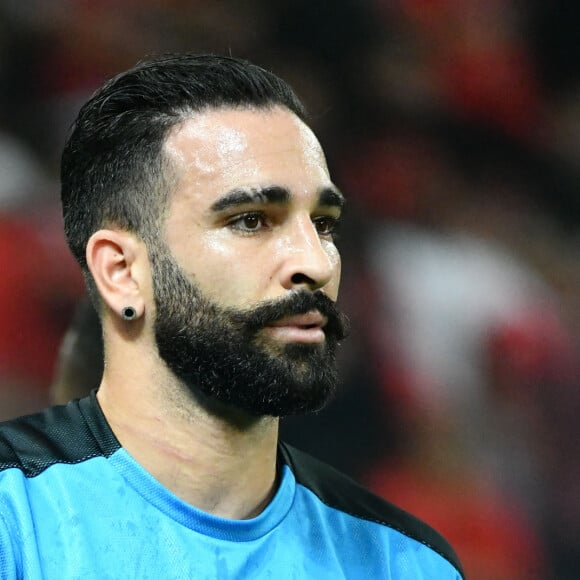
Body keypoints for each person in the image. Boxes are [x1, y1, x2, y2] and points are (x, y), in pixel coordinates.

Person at [0, 53, 463, 579]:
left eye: (324, 223)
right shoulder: (16, 518)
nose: (313, 263)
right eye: (250, 221)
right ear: (122, 271)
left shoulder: (404, 562)